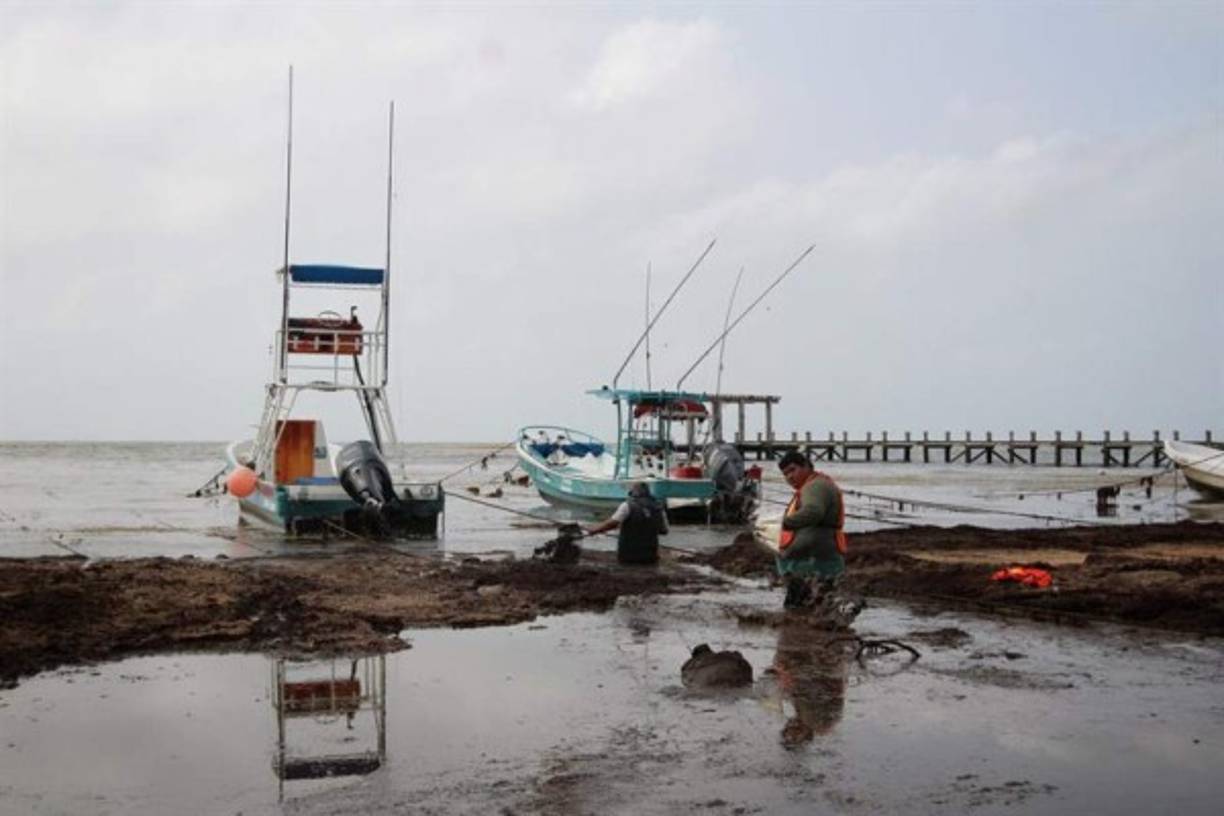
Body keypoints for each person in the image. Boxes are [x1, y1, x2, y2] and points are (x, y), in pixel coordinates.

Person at [776, 450, 847, 610]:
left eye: (793, 470)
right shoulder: (817, 484)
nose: (789, 477)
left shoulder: (814, 487)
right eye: (785, 474)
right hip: (815, 558)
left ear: (807, 466)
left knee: (800, 607)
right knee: (818, 603)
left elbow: (813, 512)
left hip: (811, 561)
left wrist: (781, 523)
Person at [586, 482, 669, 565]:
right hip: (650, 556)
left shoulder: (627, 505)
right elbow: (664, 531)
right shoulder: (659, 508)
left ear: (633, 493)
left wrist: (595, 530)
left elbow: (612, 523)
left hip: (628, 555)